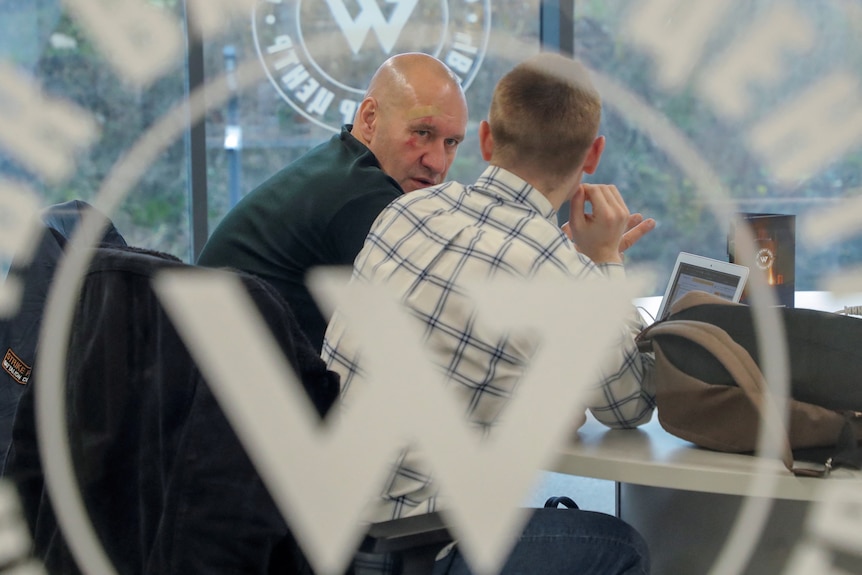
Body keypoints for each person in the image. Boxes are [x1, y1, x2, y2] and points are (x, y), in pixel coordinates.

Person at [322, 52, 657, 573]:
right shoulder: (563, 278)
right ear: (592, 156)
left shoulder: (404, 212)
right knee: (621, 547)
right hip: (416, 551)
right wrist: (604, 264)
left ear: (484, 139)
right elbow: (630, 407)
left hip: (319, 530)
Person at [197, 52, 469, 351]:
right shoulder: (362, 196)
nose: (438, 162)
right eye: (421, 132)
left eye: (451, 142)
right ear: (369, 119)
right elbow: (444, 332)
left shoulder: (342, 165)